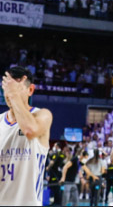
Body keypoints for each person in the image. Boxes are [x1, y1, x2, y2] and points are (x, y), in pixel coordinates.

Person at [0, 66, 51, 207]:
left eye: (16, 88)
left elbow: (29, 130)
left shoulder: (42, 116)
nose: (9, 93)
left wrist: (14, 95)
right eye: (7, 88)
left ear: (30, 90)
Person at [47, 141, 67, 206]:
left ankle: (55, 202)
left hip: (54, 173)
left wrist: (47, 168)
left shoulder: (56, 154)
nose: (53, 147)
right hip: (59, 173)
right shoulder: (62, 154)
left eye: (54, 146)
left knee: (54, 187)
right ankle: (58, 201)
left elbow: (52, 162)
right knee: (58, 187)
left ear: (57, 147)